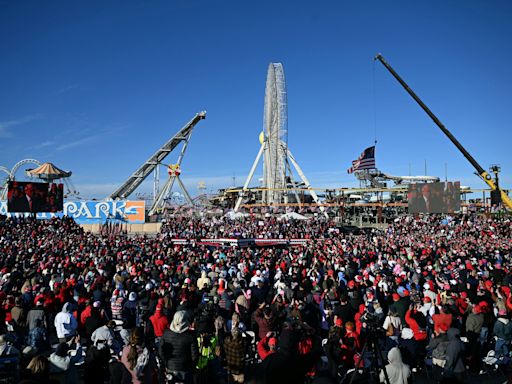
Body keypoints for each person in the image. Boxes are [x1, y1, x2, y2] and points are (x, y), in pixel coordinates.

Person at [159, 310, 198, 383]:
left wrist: (166, 362)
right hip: (186, 369)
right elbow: (194, 355)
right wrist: (192, 367)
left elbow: (161, 351)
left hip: (170, 368)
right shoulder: (190, 336)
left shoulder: (166, 334)